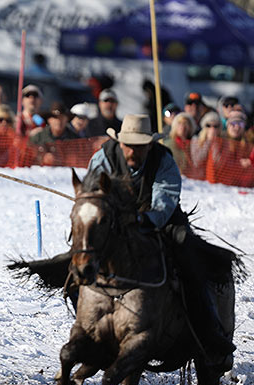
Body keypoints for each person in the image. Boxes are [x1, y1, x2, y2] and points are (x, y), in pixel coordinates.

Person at [86, 114, 236, 357]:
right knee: (83, 254)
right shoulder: (103, 157)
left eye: (140, 146)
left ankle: (209, 331)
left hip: (160, 221)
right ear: (120, 143)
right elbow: (92, 191)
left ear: (150, 145)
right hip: (114, 222)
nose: (133, 152)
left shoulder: (163, 160)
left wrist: (141, 219)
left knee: (188, 259)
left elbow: (164, 202)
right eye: (129, 146)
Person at [189, 111, 221, 180]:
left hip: (216, 180)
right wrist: (208, 142)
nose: (212, 129)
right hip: (198, 180)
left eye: (215, 126)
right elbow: (197, 161)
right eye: (208, 125)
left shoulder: (222, 143)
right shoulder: (196, 140)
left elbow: (218, 164)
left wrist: (215, 144)